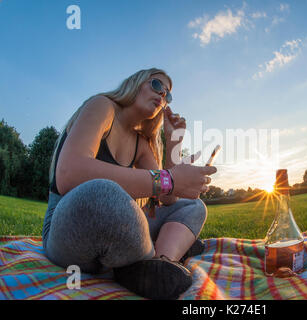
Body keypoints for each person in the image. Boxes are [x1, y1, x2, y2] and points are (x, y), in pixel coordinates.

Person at [42, 68, 217, 300]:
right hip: (71, 227)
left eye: (168, 96)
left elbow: (168, 198)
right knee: (103, 193)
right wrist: (168, 180)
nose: (162, 96)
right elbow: (69, 173)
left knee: (192, 205)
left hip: (122, 226)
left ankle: (161, 263)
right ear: (135, 83)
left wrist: (173, 142)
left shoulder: (140, 143)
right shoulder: (102, 106)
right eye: (157, 85)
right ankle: (158, 249)